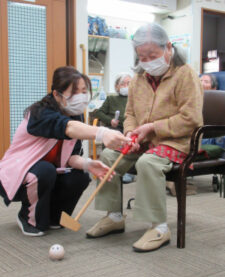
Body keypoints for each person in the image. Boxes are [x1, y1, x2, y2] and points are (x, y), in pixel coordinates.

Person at [86, 23, 203, 252]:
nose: (147, 61)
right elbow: (129, 114)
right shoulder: (138, 78)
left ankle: (159, 227)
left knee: (147, 162)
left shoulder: (186, 74)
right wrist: (130, 132)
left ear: (168, 48)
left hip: (176, 141)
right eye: (142, 56)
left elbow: (191, 119)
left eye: (153, 55)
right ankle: (115, 216)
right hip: (143, 140)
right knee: (108, 156)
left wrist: (152, 127)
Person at [0, 66, 130, 237]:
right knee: (44, 170)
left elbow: (71, 157)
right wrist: (102, 133)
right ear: (56, 94)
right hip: (19, 174)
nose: (81, 96)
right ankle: (28, 217)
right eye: (74, 92)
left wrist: (88, 164)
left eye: (84, 91)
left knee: (80, 176)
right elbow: (67, 128)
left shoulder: (75, 114)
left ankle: (55, 217)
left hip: (52, 173)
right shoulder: (40, 113)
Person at [93, 73, 135, 183]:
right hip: (114, 128)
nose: (126, 86)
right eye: (123, 83)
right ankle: (110, 169)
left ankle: (129, 172)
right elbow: (99, 113)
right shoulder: (111, 99)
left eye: (129, 83)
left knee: (131, 139)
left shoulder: (135, 99)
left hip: (130, 129)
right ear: (117, 86)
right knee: (112, 135)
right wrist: (110, 121)